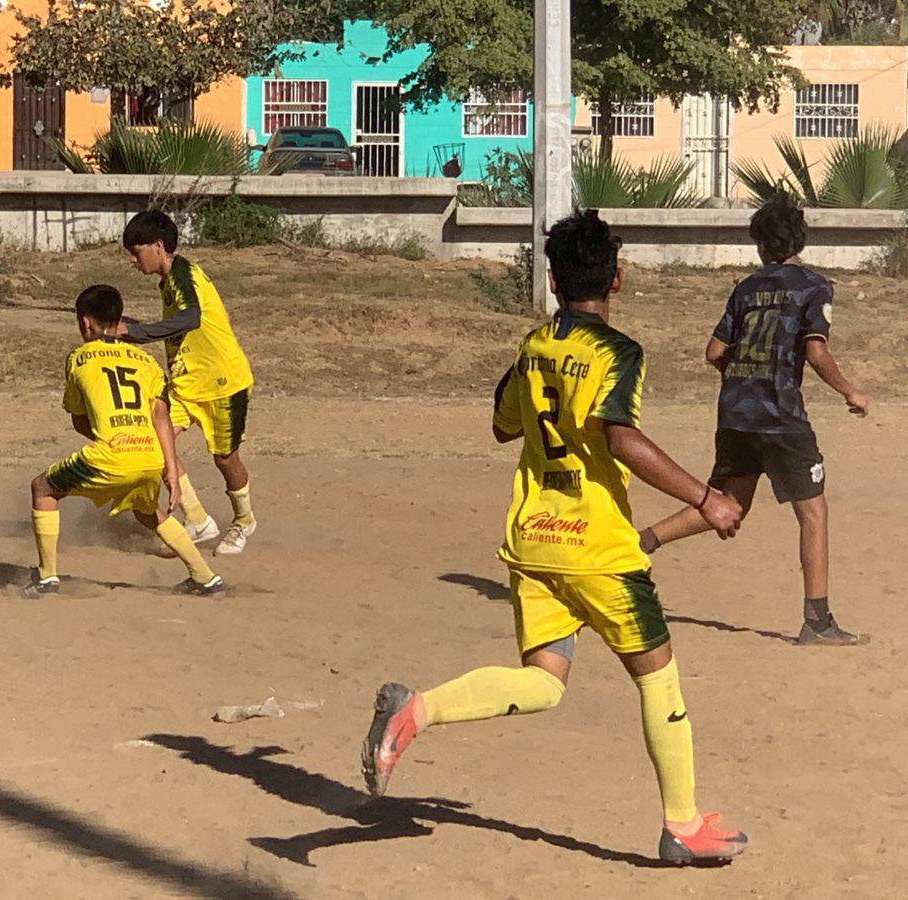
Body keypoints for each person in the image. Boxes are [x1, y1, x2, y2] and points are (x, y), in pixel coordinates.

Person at [360, 210, 749, 864]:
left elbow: (502, 426)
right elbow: (620, 437)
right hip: (595, 545)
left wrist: (535, 370)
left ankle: (415, 711)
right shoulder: (618, 352)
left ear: (552, 277)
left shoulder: (534, 346)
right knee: (659, 678)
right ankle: (681, 825)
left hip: (533, 539)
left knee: (544, 681)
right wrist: (706, 498)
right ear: (616, 278)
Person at [637, 194, 869, 646]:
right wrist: (850, 391)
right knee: (813, 512)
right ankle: (817, 622)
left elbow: (713, 353)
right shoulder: (813, 286)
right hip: (781, 418)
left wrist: (746, 377)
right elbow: (815, 350)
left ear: (760, 246)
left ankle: (642, 542)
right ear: (800, 238)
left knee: (728, 502)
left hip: (736, 412)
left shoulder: (745, 289)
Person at [25, 285, 226, 598]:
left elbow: (79, 419)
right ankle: (206, 578)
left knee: (43, 489)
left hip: (112, 454)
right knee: (148, 513)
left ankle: (47, 577)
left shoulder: (79, 358)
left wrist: (115, 439)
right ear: (119, 321)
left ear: (84, 323)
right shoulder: (146, 362)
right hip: (151, 457)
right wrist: (171, 470)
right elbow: (162, 417)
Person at [118, 210, 257, 556]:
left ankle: (243, 521)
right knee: (153, 441)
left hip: (223, 383)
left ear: (159, 246)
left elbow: (190, 319)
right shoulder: (168, 281)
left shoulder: (184, 275)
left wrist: (138, 333)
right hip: (186, 385)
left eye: (137, 253)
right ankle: (197, 519)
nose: (133, 262)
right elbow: (174, 324)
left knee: (225, 460)